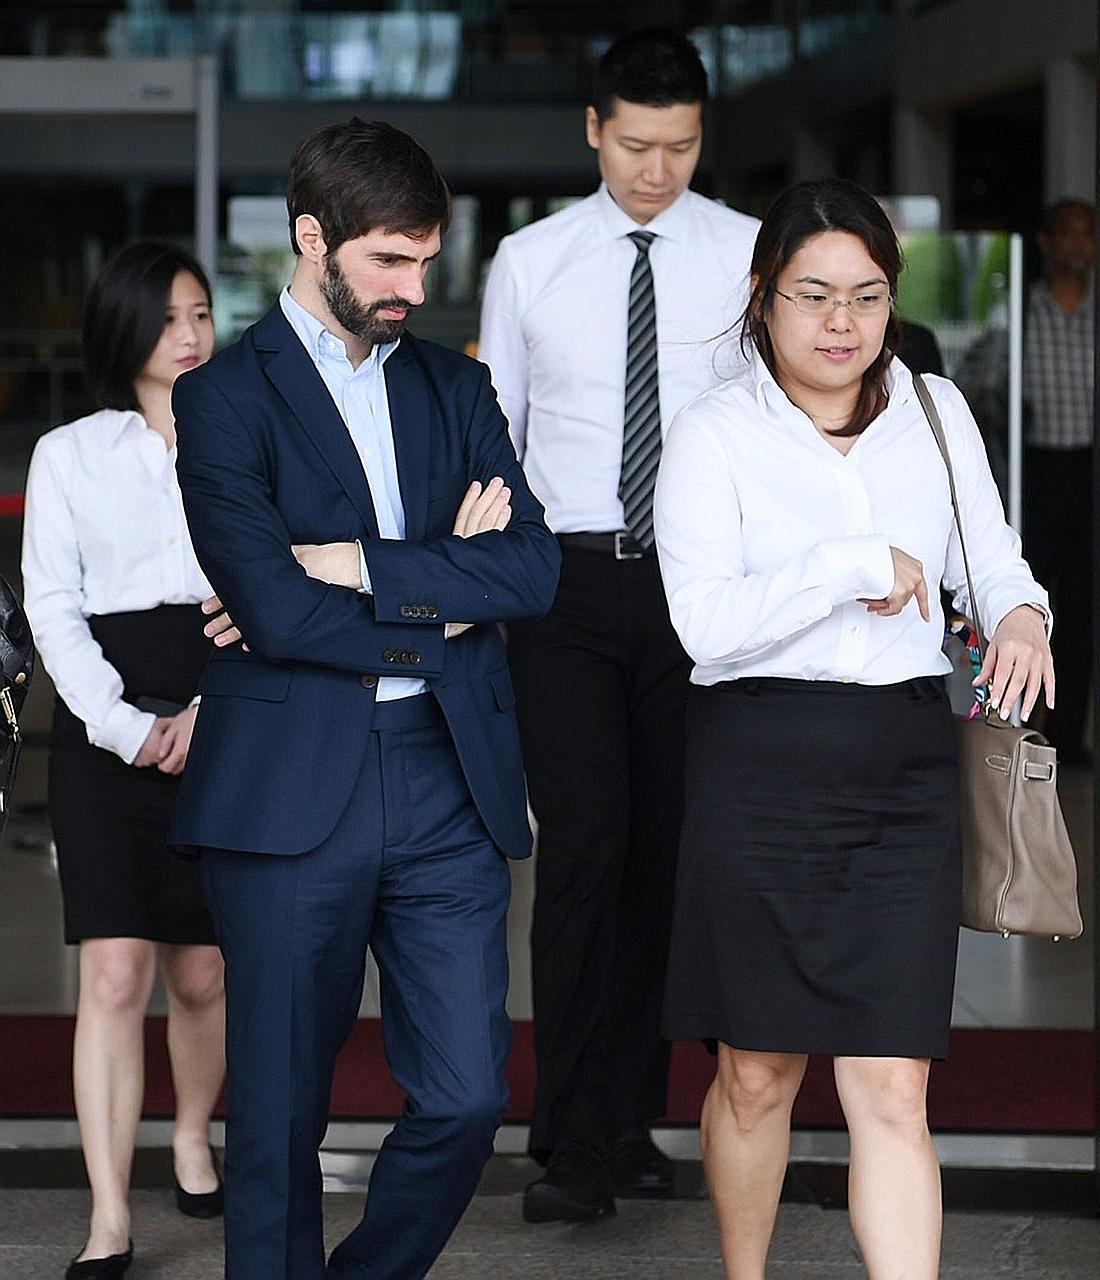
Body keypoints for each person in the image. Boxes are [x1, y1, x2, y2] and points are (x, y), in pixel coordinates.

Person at [168, 118, 560, 1280]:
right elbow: (273, 615)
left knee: (467, 1092)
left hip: (447, 776)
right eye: (391, 260)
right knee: (280, 1110)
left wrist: (358, 560)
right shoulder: (224, 398)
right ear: (312, 237)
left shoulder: (456, 385)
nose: (414, 287)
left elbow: (531, 570)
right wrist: (448, 589)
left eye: (428, 261)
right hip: (292, 791)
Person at [653, 177, 1053, 1280]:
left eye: (867, 296)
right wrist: (854, 566)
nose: (843, 324)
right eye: (814, 295)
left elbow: (996, 564)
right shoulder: (713, 433)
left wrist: (1022, 612)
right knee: (756, 1071)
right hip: (759, 769)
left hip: (901, 773)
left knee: (893, 1081)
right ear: (763, 297)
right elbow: (706, 625)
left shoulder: (935, 410)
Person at [478, 26, 759, 1222]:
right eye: (637, 145)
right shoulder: (530, 259)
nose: (658, 169)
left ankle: (635, 1115)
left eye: (682, 146)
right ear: (594, 130)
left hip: (699, 590)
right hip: (569, 588)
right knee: (586, 850)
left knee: (669, 855)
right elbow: (500, 433)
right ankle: (569, 1137)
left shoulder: (750, 252)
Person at [21, 242, 226, 1280]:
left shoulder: (245, 441)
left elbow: (271, 588)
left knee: (200, 972)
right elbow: (52, 608)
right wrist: (125, 724)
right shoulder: (69, 453)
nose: (191, 334)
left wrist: (203, 714)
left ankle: (191, 1133)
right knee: (111, 972)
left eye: (201, 313)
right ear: (124, 328)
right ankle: (108, 1215)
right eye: (170, 316)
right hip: (107, 738)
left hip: (222, 715)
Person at [1022, 199, 1095, 764]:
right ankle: (1022, 727)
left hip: (1096, 471)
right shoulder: (1022, 311)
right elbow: (986, 386)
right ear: (1045, 243)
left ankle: (1069, 737)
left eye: (1088, 234)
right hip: (1038, 468)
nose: (1079, 243)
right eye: (1067, 233)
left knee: (1084, 600)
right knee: (1029, 595)